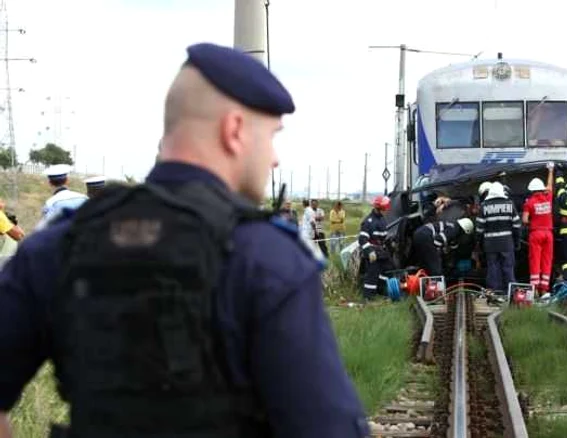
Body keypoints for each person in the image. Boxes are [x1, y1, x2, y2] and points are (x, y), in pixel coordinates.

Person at [0, 42, 368, 438]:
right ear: (235, 130)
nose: (274, 158)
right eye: (272, 135)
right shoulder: (266, 257)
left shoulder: (58, 245)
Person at [475, 181, 521, 292]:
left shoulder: (484, 206)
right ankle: (511, 291)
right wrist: (517, 241)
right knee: (508, 267)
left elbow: (479, 229)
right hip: (507, 243)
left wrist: (479, 243)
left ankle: (495, 291)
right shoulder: (509, 204)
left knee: (493, 268)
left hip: (490, 244)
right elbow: (517, 225)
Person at [522, 162, 555, 296]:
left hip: (535, 234)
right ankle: (544, 289)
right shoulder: (548, 198)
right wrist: (551, 171)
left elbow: (524, 220)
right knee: (547, 260)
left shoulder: (529, 202)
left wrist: (530, 222)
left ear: (531, 190)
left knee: (535, 260)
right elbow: (550, 186)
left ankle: (534, 289)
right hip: (548, 234)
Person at [358, 195, 393, 301]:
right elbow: (362, 239)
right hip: (372, 252)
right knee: (372, 274)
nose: (387, 211)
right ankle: (368, 297)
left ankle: (382, 291)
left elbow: (383, 237)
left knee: (387, 270)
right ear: (379, 208)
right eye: (385, 208)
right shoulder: (368, 222)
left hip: (381, 251)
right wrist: (370, 252)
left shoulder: (382, 219)